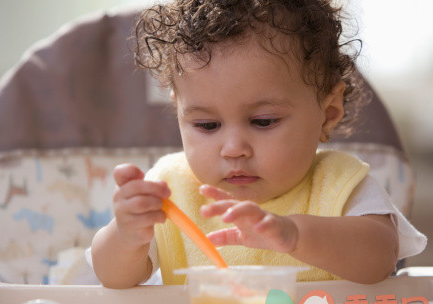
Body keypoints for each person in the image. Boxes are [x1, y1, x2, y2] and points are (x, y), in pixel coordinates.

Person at [90, 0, 426, 288]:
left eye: (263, 121)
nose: (234, 148)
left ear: (329, 113)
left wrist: (294, 235)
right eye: (207, 125)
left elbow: (379, 258)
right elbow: (113, 278)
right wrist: (126, 233)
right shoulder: (170, 189)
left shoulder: (340, 184)